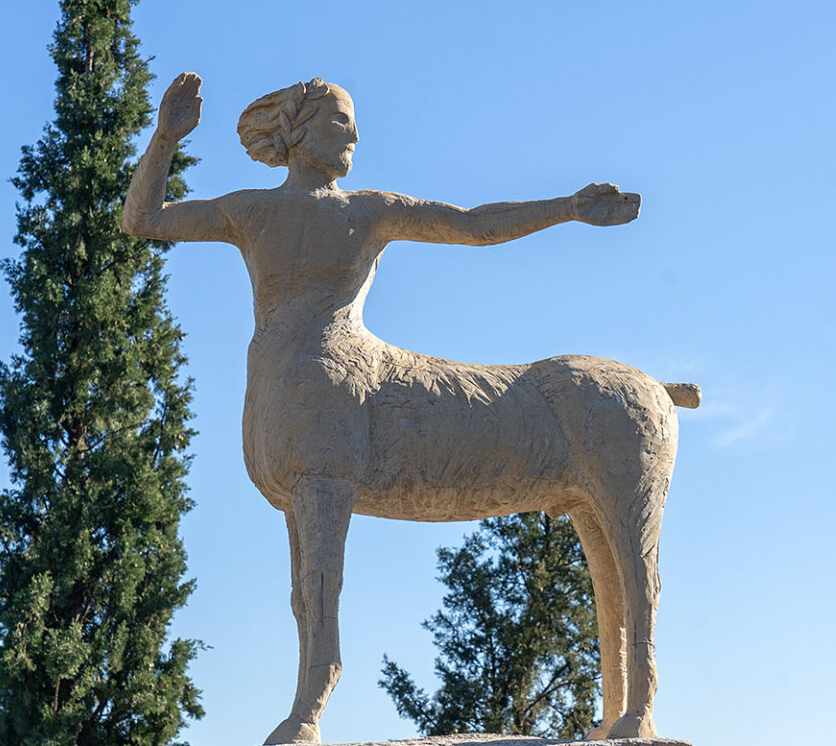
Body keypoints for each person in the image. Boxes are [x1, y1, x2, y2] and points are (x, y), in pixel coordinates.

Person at [124, 73, 668, 744]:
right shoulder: (251, 212)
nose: (353, 133)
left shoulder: (368, 210)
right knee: (307, 555)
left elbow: (472, 226)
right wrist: (164, 140)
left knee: (623, 557)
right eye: (339, 120)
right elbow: (143, 220)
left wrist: (567, 207)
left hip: (341, 384)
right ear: (296, 132)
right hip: (295, 383)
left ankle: (633, 705)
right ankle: (313, 695)